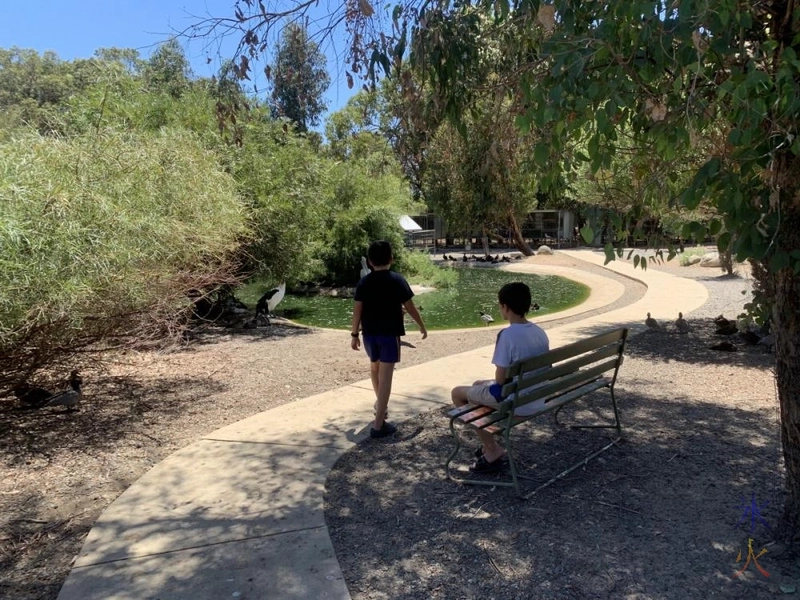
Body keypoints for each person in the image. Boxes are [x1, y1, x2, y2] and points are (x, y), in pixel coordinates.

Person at [450, 282, 549, 473]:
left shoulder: (507, 335)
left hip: (518, 402)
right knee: (477, 385)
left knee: (458, 394)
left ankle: (492, 449)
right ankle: (489, 443)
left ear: (505, 307)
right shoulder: (539, 332)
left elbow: (501, 379)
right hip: (537, 395)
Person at [351, 240, 428, 438]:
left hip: (369, 335)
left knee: (374, 367)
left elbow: (357, 311)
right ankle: (379, 425)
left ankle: (381, 406)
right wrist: (421, 325)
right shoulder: (397, 280)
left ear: (369, 262)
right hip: (389, 334)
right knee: (386, 376)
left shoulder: (364, 282)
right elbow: (410, 307)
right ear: (391, 259)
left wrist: (354, 334)